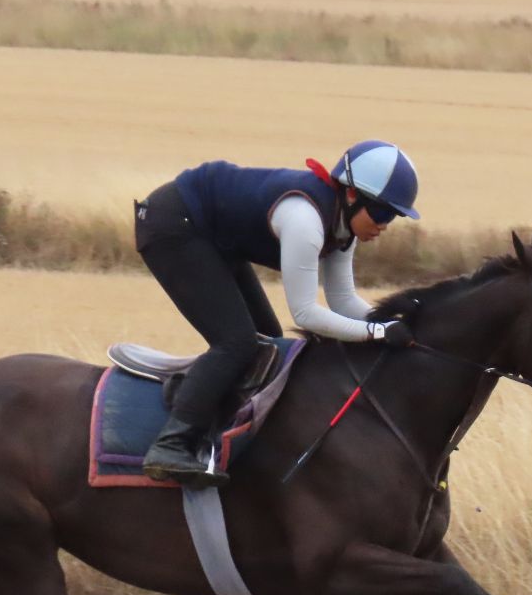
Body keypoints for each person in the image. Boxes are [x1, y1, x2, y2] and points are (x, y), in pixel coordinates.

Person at [134, 139, 421, 489]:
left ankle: (213, 419)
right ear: (351, 195)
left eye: (393, 217)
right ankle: (170, 445)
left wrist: (390, 323)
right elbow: (305, 314)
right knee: (236, 342)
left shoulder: (342, 227)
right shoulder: (305, 219)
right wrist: (377, 333)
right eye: (382, 213)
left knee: (268, 343)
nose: (385, 225)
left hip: (213, 236)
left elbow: (343, 300)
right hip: (174, 224)